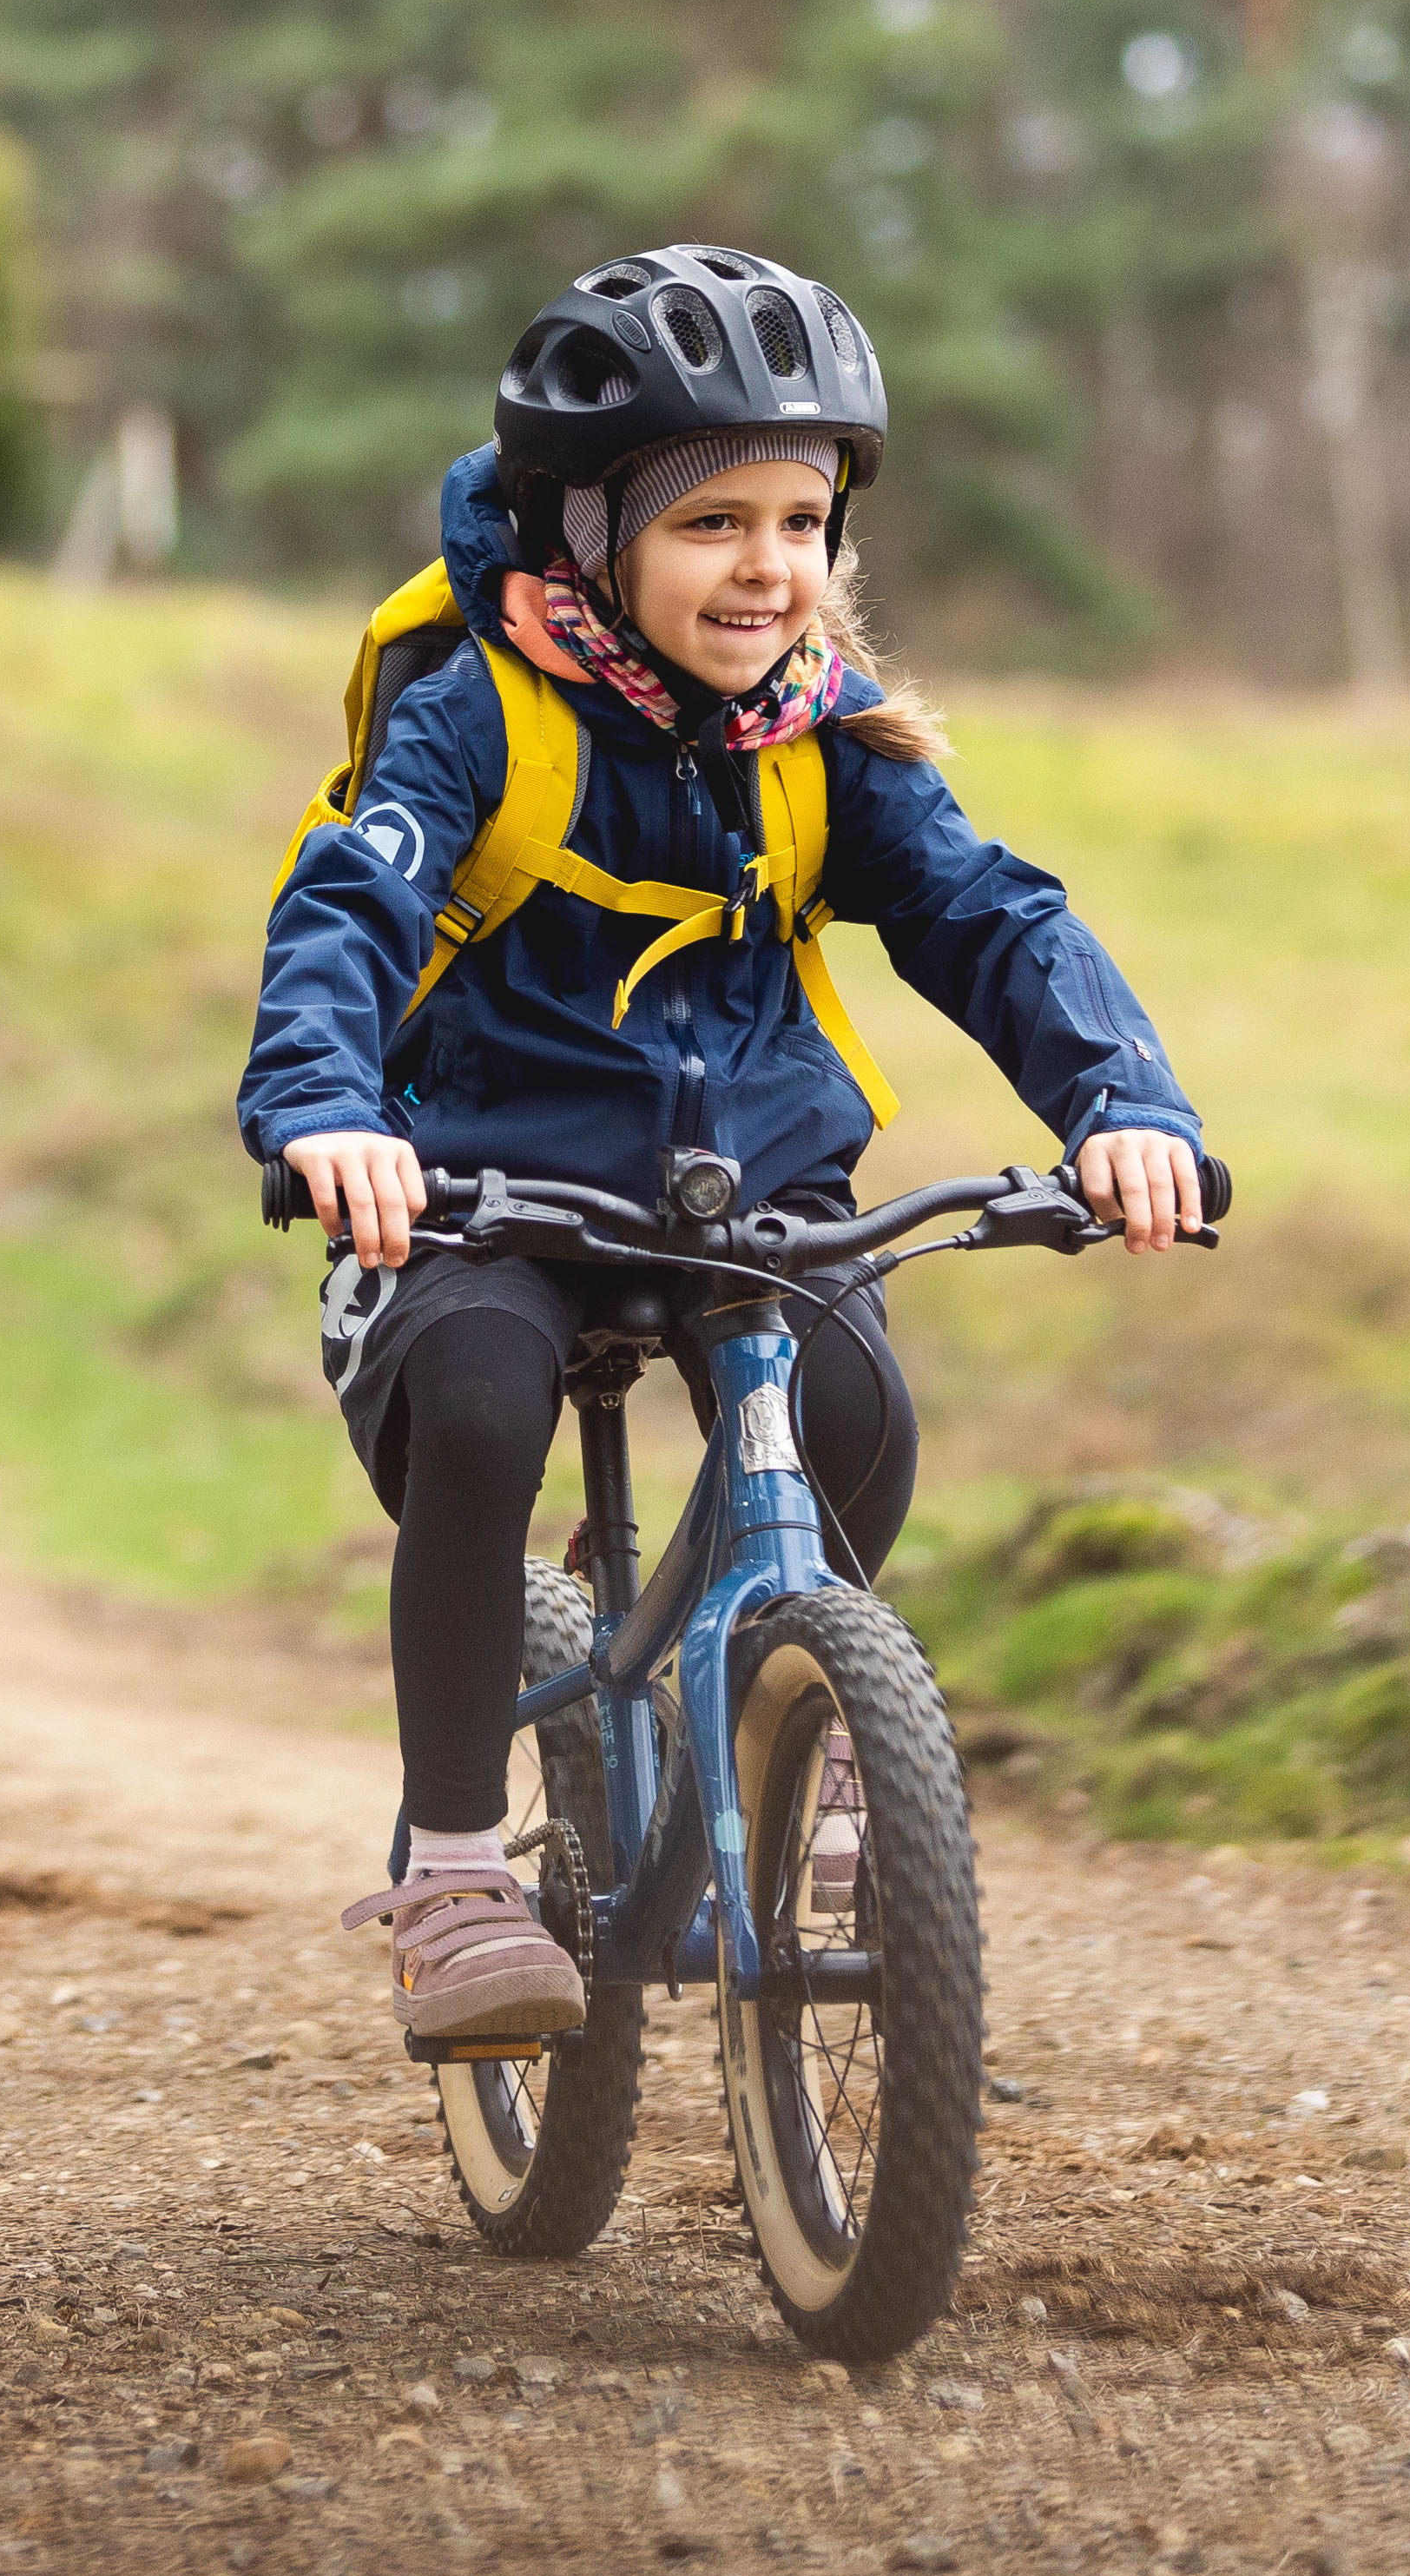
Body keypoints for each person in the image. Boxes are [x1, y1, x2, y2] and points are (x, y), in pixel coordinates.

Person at [237, 246, 1209, 2044]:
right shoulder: (478, 715)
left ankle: (781, 1718)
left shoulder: (823, 744)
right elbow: (344, 918)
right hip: (484, 1187)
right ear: (589, 528)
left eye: (805, 522)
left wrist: (1122, 1101)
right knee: (474, 1404)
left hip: (743, 1192)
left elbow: (993, 920)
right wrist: (325, 1111)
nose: (772, 570)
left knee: (851, 1417)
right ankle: (455, 1871)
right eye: (713, 527)